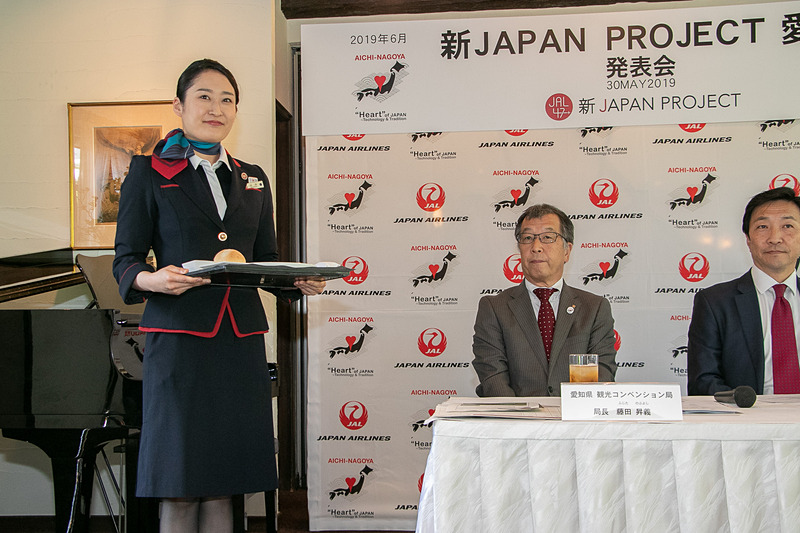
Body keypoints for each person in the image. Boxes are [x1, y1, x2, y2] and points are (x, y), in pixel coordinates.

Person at [113, 59, 325, 532]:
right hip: (179, 342)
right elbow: (125, 259)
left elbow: (264, 259)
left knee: (226, 484)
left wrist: (294, 282)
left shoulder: (253, 177)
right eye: (204, 97)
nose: (216, 108)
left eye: (227, 99)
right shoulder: (149, 171)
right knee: (180, 483)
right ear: (179, 105)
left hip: (238, 343)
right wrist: (152, 280)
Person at [472, 204, 617, 396]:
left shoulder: (594, 308)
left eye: (548, 237)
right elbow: (492, 375)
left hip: (574, 414)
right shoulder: (494, 308)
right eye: (527, 238)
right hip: (515, 414)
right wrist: (518, 414)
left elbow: (601, 373)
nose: (536, 247)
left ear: (567, 251)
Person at [688, 187, 800, 395]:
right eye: (763, 226)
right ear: (748, 239)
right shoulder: (714, 303)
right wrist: (746, 408)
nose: (775, 238)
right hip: (745, 413)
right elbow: (703, 381)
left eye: (787, 226)